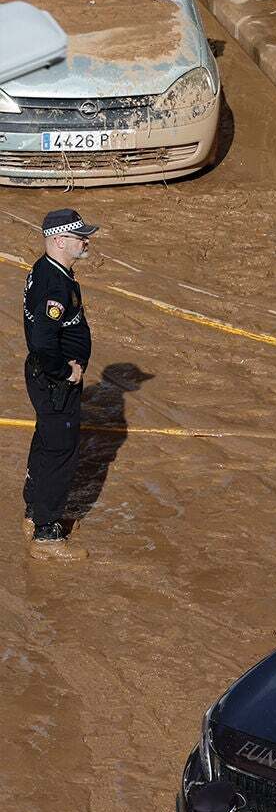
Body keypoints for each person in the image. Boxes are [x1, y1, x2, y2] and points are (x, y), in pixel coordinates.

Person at [22, 209, 95, 559]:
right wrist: (65, 371)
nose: (86, 241)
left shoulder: (47, 270)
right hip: (55, 380)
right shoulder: (55, 284)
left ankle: (35, 511)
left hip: (43, 377)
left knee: (47, 440)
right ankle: (47, 533)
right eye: (81, 237)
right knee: (61, 450)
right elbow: (42, 339)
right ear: (59, 240)